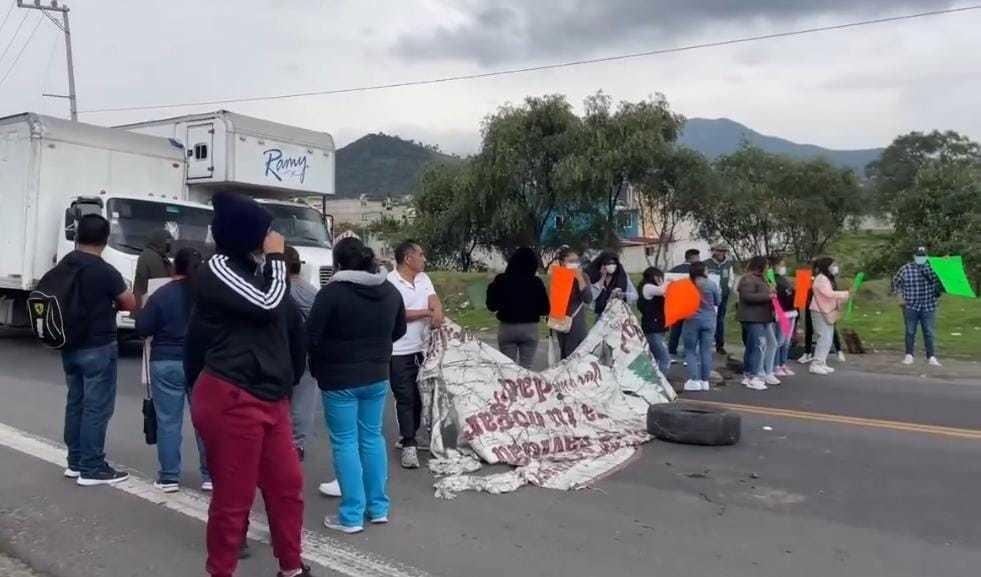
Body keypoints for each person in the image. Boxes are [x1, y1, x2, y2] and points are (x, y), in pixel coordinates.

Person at [186, 191, 311, 577]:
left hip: (270, 399)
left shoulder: (251, 270)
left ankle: (291, 568)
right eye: (266, 230)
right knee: (234, 499)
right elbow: (270, 303)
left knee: (287, 489)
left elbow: (287, 327)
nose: (272, 236)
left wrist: (287, 385)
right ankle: (220, 570)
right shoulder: (219, 269)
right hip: (233, 397)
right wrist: (276, 257)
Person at [307, 237, 406, 534]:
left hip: (339, 379)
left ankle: (351, 515)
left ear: (337, 263)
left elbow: (311, 336)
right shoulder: (389, 290)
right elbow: (398, 330)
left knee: (345, 442)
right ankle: (378, 508)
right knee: (372, 438)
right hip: (376, 374)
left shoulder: (332, 293)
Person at [60, 214, 137, 486]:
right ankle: (92, 468)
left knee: (76, 402)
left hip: (68, 344)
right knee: (97, 407)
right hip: (98, 345)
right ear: (106, 240)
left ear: (78, 236)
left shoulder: (65, 264)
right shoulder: (104, 271)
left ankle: (75, 462)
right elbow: (129, 303)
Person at [134, 247, 210, 493]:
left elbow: (142, 326)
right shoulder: (207, 297)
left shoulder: (162, 294)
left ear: (174, 267)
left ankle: (168, 477)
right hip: (200, 363)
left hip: (165, 361)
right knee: (204, 423)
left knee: (168, 421)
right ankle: (210, 475)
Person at [387, 240, 444, 469]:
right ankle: (408, 444)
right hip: (399, 349)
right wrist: (426, 313)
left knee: (421, 396)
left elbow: (433, 298)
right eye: (420, 254)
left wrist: (437, 310)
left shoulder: (424, 278)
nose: (424, 258)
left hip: (423, 348)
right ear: (408, 259)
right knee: (405, 396)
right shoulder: (391, 282)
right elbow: (399, 314)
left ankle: (409, 434)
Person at [486, 247, 550, 369]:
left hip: (507, 328)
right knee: (526, 369)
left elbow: (491, 306)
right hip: (529, 329)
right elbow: (545, 309)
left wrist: (491, 286)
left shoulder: (501, 280)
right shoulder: (536, 282)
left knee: (508, 369)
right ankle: (524, 388)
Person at [892, 246, 943, 367]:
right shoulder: (905, 269)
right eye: (919, 256)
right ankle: (909, 355)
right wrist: (900, 297)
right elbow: (895, 283)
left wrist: (944, 264)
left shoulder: (933, 268)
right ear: (914, 257)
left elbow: (941, 283)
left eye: (923, 256)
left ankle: (931, 356)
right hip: (911, 305)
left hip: (928, 305)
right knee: (910, 331)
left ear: (927, 256)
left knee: (929, 332)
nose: (921, 258)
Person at [736, 256, 775, 391]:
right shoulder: (748, 279)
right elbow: (747, 296)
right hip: (752, 318)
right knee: (758, 346)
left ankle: (748, 375)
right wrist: (768, 296)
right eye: (767, 265)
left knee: (752, 347)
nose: (768, 268)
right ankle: (753, 376)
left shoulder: (761, 279)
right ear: (760, 266)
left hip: (761, 317)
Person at [681, 262, 721, 392]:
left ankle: (694, 380)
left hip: (691, 320)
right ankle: (705, 381)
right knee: (706, 351)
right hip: (709, 320)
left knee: (691, 350)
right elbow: (718, 301)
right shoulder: (711, 284)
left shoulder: (686, 284)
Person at [808, 257, 850, 376]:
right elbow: (829, 294)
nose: (835, 267)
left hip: (827, 310)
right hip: (820, 311)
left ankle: (822, 362)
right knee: (824, 337)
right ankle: (816, 364)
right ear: (826, 266)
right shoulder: (821, 279)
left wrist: (841, 299)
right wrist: (846, 293)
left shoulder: (827, 278)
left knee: (828, 338)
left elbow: (831, 294)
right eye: (833, 265)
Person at [553, 247, 593, 359]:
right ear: (562, 262)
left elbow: (588, 298)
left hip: (577, 324)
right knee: (565, 355)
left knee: (576, 357)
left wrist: (579, 278)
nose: (574, 264)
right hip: (561, 323)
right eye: (570, 261)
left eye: (576, 261)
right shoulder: (558, 277)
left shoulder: (583, 277)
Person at [668, 248, 702, 358]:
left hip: (676, 303)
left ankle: (672, 350)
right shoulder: (696, 271)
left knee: (675, 329)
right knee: (690, 330)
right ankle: (688, 352)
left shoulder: (674, 270)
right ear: (694, 258)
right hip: (690, 304)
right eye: (698, 257)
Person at [637, 267, 669, 376]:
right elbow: (662, 290)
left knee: (655, 358)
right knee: (664, 358)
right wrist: (668, 282)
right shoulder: (647, 287)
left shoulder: (651, 288)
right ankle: (661, 383)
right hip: (652, 327)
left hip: (657, 326)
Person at [769, 256, 797, 377]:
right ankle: (776, 365)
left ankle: (783, 363)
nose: (783, 267)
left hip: (791, 312)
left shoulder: (785, 279)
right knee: (779, 341)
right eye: (781, 265)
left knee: (786, 341)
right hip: (782, 313)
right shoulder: (772, 280)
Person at [704, 244, 734, 354]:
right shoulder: (706, 263)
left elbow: (731, 279)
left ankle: (719, 344)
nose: (721, 253)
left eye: (723, 251)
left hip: (723, 295)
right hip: (708, 296)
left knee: (720, 320)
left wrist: (728, 289)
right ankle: (706, 343)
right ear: (714, 251)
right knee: (708, 319)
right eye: (719, 251)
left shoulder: (728, 264)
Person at [588, 251, 638, 316]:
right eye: (608, 263)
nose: (611, 265)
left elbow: (635, 295)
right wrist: (602, 277)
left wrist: (623, 295)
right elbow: (591, 298)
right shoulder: (595, 278)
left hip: (619, 316)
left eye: (614, 263)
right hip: (601, 316)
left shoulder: (622, 277)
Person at [134, 229, 173, 309]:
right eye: (167, 242)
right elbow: (161, 280)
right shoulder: (151, 256)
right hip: (148, 305)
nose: (169, 244)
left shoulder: (158, 255)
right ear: (159, 241)